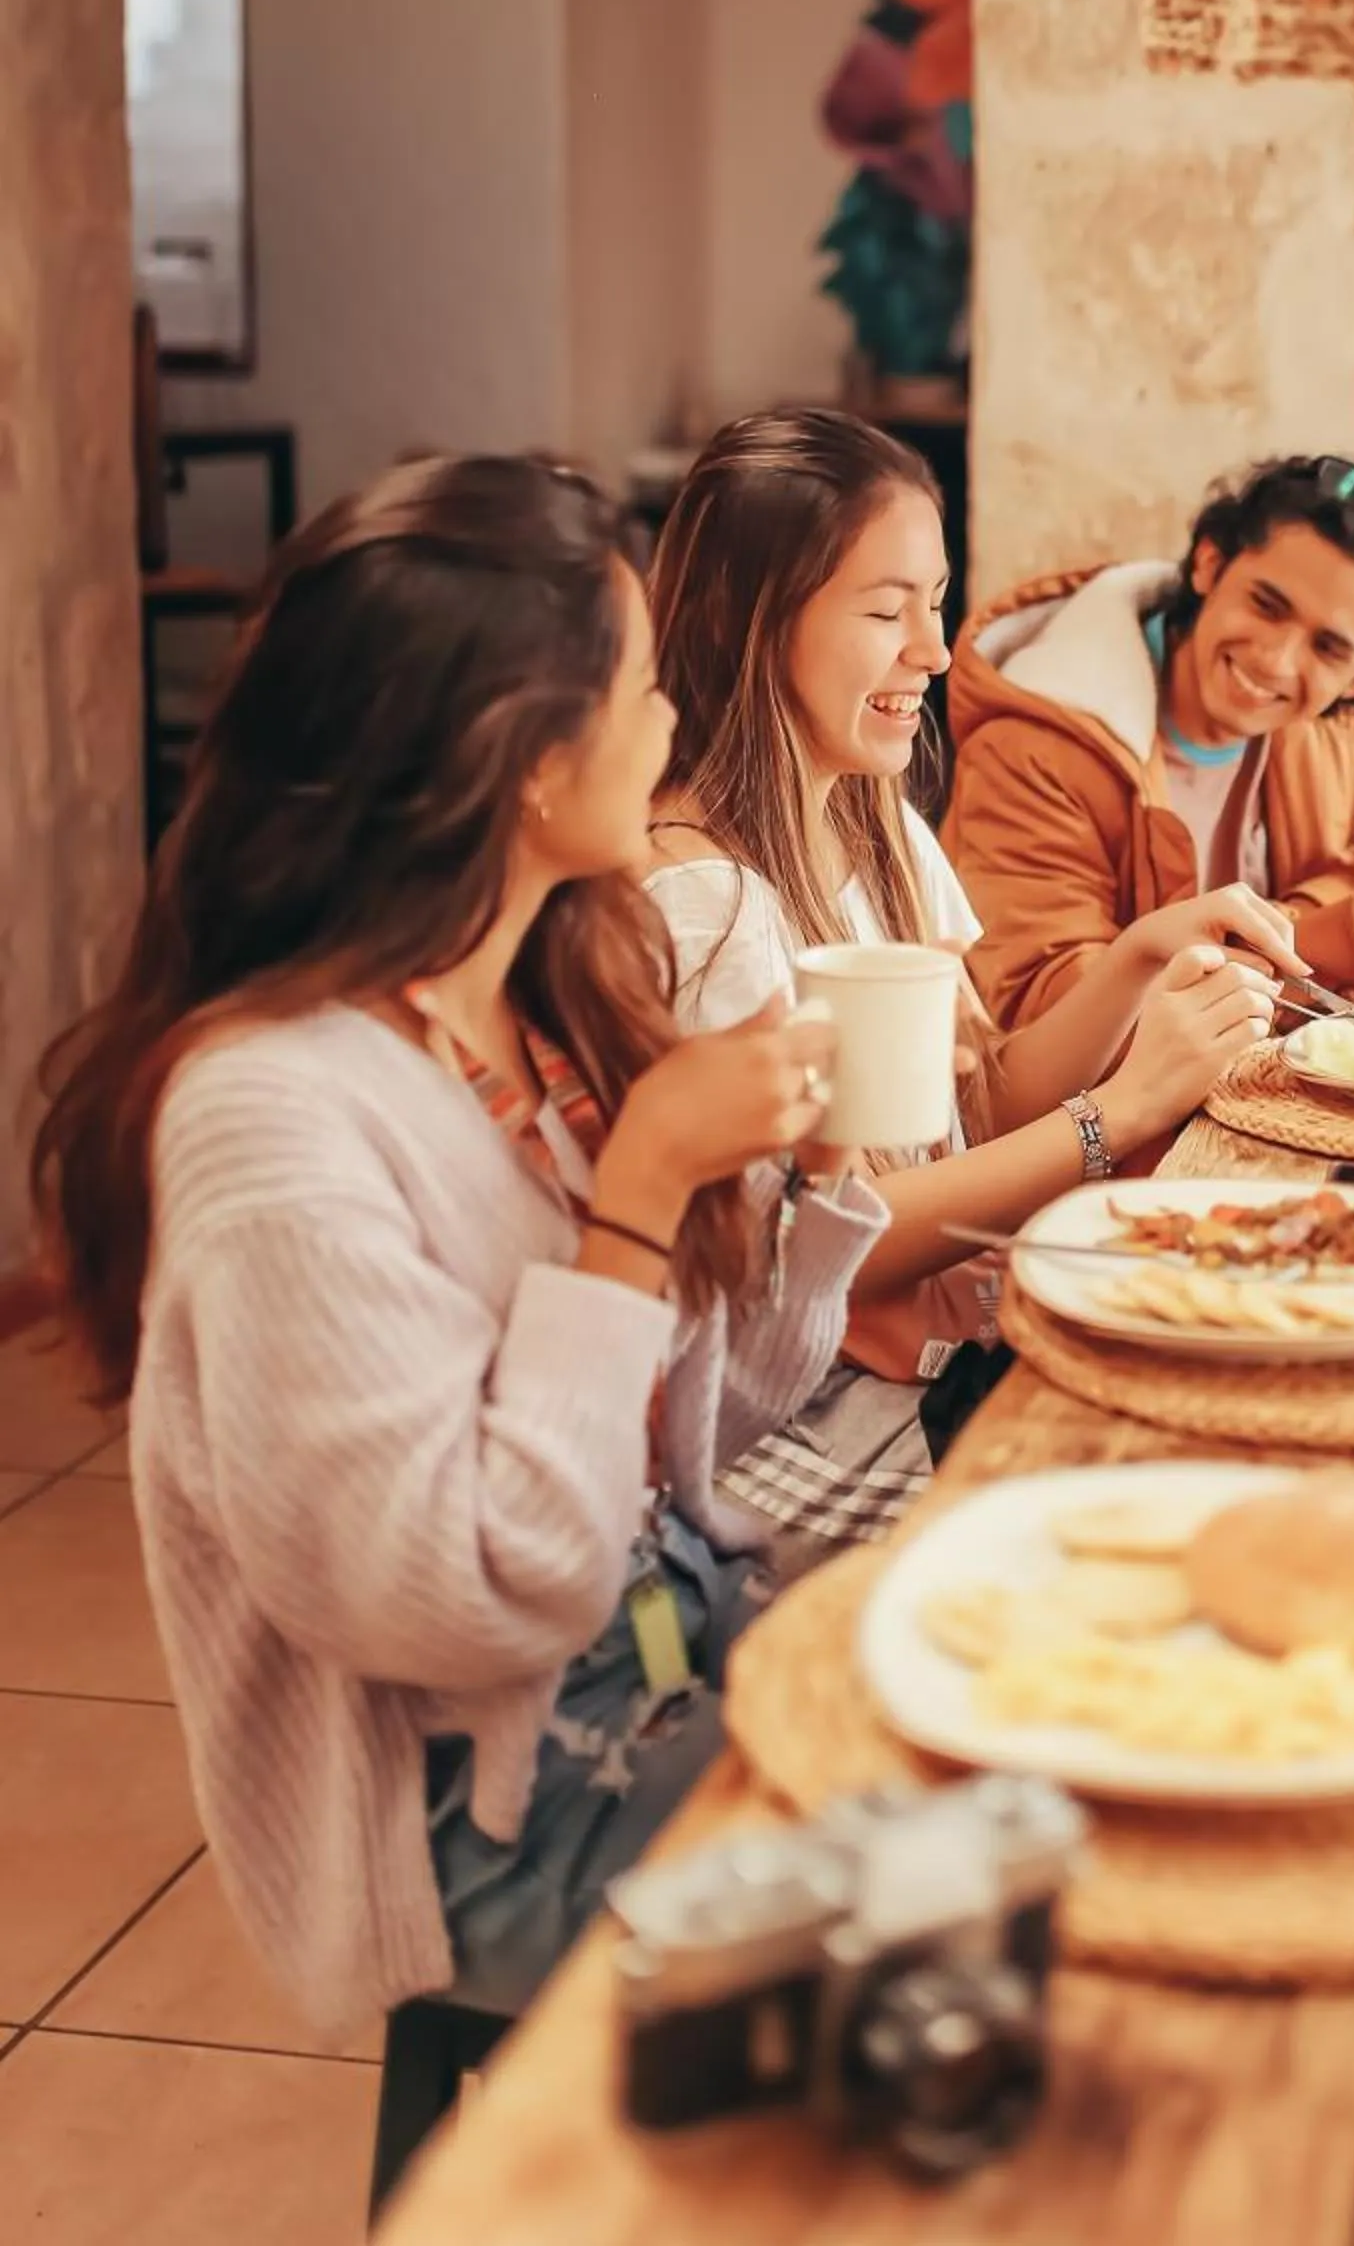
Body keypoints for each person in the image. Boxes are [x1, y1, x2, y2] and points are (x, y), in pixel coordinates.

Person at [32, 456, 892, 2033]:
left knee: (1057, 1755)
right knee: (1016, 1936)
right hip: (487, 1826)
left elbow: (721, 1424)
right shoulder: (272, 1112)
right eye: (640, 689)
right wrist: (638, 1195)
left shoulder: (555, 991)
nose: (674, 726)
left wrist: (800, 1187)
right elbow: (466, 1603)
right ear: (525, 762)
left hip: (676, 1654)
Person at [643, 410, 1296, 1567]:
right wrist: (1119, 1116)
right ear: (752, 620)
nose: (934, 653)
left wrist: (1138, 957)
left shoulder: (875, 821)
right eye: (887, 610)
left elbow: (977, 1101)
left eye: (934, 602)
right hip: (819, 1416)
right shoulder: (705, 906)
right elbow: (806, 1265)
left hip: (946, 1353)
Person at [944, 453, 1354, 1029]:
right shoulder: (1034, 747)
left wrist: (1345, 894)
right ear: (1209, 563)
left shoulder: (1333, 735)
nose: (1276, 661)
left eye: (1327, 648)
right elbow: (1041, 1011)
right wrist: (1324, 937)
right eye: (1266, 604)